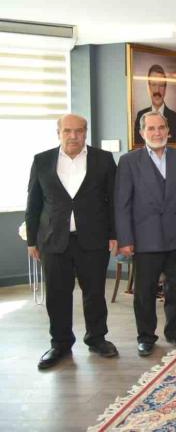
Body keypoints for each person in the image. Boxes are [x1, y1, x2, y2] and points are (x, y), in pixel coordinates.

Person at [25, 114, 119, 369]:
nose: (73, 136)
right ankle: (60, 343)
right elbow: (33, 204)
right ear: (58, 133)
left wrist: (114, 234)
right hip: (54, 240)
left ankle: (97, 338)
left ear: (85, 132)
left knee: (94, 293)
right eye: (67, 131)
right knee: (57, 295)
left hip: (93, 239)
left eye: (78, 131)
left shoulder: (103, 160)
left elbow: (113, 200)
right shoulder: (42, 160)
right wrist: (32, 241)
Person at [115, 111, 176, 357]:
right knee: (144, 292)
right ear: (142, 133)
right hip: (145, 239)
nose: (157, 133)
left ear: (168, 131)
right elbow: (122, 204)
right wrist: (125, 239)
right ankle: (146, 336)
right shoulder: (129, 161)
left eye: (161, 128)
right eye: (151, 128)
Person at [134, 64, 176, 144]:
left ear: (165, 88)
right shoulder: (140, 115)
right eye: (153, 85)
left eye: (161, 86)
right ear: (148, 87)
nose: (157, 90)